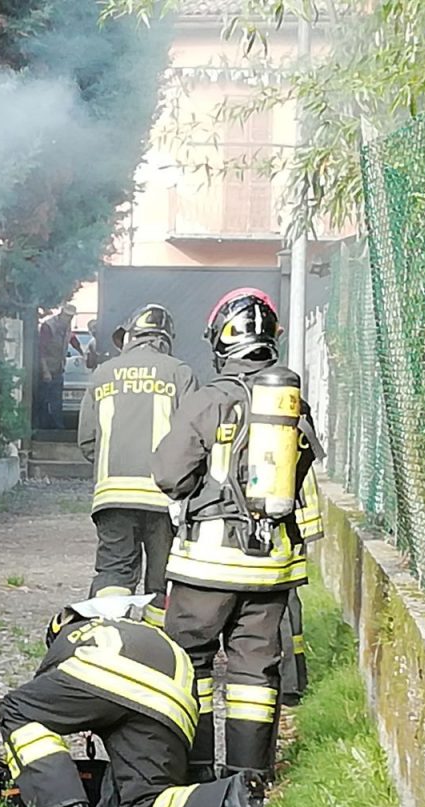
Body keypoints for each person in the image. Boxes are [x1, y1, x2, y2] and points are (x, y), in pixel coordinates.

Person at [153, 289, 320, 782]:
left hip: (208, 563)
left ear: (220, 341)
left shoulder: (208, 399)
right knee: (255, 672)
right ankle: (249, 779)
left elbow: (169, 474)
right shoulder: (291, 404)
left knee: (192, 662)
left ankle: (197, 770)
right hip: (272, 566)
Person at [0, 593, 274, 807]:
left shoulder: (68, 636)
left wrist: (34, 775)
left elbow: (44, 712)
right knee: (144, 806)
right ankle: (227, 804)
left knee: (17, 710)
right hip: (174, 707)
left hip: (105, 674)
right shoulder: (145, 632)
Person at [77, 304, 197, 627]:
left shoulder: (102, 374)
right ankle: (157, 654)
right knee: (162, 580)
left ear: (130, 336)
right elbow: (194, 440)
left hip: (112, 499)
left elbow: (87, 441)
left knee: (113, 572)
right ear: (165, 339)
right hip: (164, 498)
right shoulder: (179, 373)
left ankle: (109, 645)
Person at [280, 472, 323, 705]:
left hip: (282, 528)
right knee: (287, 605)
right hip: (290, 524)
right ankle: (292, 680)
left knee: (282, 607)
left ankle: (289, 682)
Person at [36, 304, 81, 430]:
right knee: (44, 399)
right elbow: (41, 350)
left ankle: (58, 426)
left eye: (71, 317)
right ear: (61, 314)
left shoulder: (66, 327)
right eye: (67, 316)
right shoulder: (48, 326)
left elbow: (72, 339)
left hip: (58, 368)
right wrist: (45, 371)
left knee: (57, 399)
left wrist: (82, 352)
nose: (69, 319)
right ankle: (43, 427)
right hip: (47, 368)